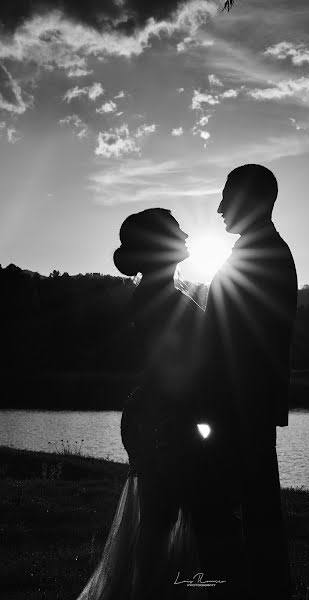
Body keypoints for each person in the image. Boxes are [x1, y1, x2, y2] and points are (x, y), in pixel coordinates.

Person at [76, 208, 203, 600]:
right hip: (162, 419)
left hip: (163, 415)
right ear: (156, 246)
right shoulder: (159, 298)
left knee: (164, 516)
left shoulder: (166, 294)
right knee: (161, 518)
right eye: (175, 231)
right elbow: (175, 368)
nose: (185, 235)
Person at [194, 164, 297, 599]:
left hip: (239, 407)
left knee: (230, 513)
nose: (218, 208)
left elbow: (240, 343)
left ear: (253, 199)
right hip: (241, 406)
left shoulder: (264, 256)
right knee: (251, 513)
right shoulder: (257, 251)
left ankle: (238, 589)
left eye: (226, 196)